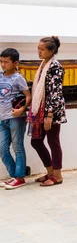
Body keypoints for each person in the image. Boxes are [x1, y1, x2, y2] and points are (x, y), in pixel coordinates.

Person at [29, 36, 67, 187]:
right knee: (36, 141)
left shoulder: (55, 67)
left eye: (42, 49)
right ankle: (50, 171)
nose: (39, 52)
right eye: (38, 48)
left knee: (53, 142)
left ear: (52, 51)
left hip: (52, 111)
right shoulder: (43, 65)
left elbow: (55, 93)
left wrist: (49, 115)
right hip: (41, 110)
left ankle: (57, 175)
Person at [0, 49, 32, 190]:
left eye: (6, 62)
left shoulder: (18, 78)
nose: (3, 64)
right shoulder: (0, 76)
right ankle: (14, 175)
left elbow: (28, 96)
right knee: (2, 149)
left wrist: (22, 109)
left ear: (15, 63)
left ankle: (19, 177)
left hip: (15, 118)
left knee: (17, 147)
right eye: (1, 61)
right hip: (2, 119)